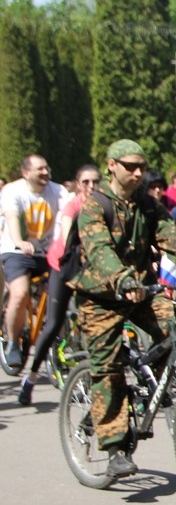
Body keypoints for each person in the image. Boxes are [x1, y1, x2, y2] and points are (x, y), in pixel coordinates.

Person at [70, 140, 176, 477]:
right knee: (108, 367)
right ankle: (114, 449)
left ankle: (153, 382)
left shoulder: (148, 205)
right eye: (129, 166)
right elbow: (99, 250)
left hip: (142, 292)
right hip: (102, 297)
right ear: (111, 165)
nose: (138, 172)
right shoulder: (94, 206)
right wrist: (122, 279)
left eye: (141, 166)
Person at [18, 165, 101, 405]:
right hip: (63, 266)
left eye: (96, 182)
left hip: (91, 270)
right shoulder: (73, 206)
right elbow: (65, 235)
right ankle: (31, 378)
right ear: (77, 184)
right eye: (85, 182)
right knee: (53, 323)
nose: (91, 187)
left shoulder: (105, 205)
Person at [1, 154, 69, 368]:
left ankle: (60, 346)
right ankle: (12, 342)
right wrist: (20, 241)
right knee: (20, 293)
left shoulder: (58, 191)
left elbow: (68, 215)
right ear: (25, 173)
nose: (45, 172)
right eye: (39, 169)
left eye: (46, 168)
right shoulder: (13, 191)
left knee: (61, 295)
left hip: (48, 254)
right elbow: (12, 217)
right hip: (17, 251)